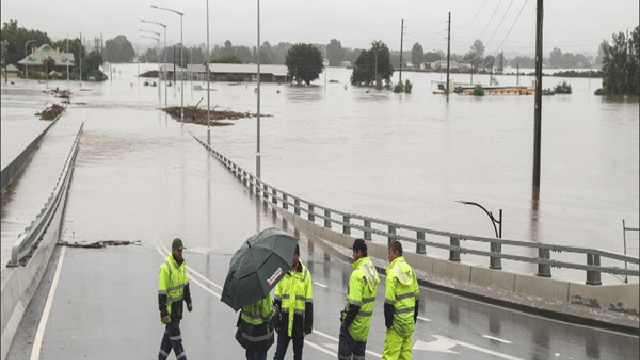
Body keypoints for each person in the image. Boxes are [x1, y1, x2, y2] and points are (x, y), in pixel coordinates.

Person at [339, 239, 380, 360]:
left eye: (354, 252)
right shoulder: (372, 271)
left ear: (359, 253)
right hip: (364, 328)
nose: (353, 255)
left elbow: (354, 304)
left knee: (344, 357)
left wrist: (346, 322)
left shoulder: (357, 274)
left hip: (352, 328)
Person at [273, 244, 313, 360]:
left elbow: (309, 302)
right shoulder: (282, 273)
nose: (291, 258)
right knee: (278, 355)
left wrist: (308, 325)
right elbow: (277, 300)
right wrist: (276, 323)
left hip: (298, 325)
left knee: (298, 357)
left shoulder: (305, 274)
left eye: (294, 255)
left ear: (298, 255)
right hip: (284, 324)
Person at [382, 241, 419, 360]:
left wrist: (389, 325)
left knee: (389, 357)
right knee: (405, 357)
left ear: (396, 253)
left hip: (396, 325)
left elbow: (388, 303)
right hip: (408, 324)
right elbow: (416, 297)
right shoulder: (410, 271)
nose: (388, 256)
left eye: (389, 253)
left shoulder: (392, 274)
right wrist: (413, 321)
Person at [158, 238, 192, 360]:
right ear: (172, 250)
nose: (180, 254)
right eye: (178, 251)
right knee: (177, 342)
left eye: (181, 251)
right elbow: (162, 292)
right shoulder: (166, 267)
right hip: (170, 313)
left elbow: (185, 285)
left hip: (177, 312)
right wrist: (163, 312)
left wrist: (188, 301)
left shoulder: (181, 266)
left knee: (168, 340)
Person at [236, 292, 278, 360]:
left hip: (247, 333)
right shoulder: (263, 291)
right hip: (259, 335)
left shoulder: (243, 288)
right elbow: (267, 314)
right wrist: (275, 310)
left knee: (249, 356)